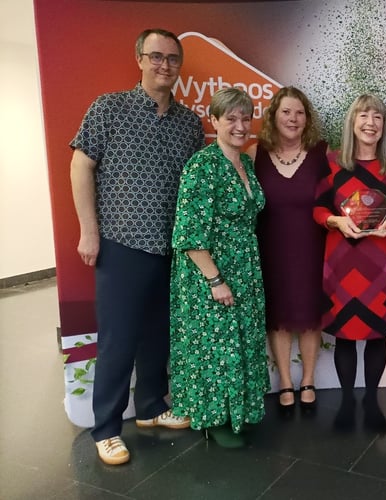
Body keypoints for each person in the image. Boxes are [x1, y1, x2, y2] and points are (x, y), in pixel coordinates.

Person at [70, 28, 204, 465]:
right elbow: (80, 166)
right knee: (118, 339)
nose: (165, 65)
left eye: (172, 59)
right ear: (140, 60)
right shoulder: (109, 108)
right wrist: (89, 231)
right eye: (156, 57)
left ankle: (150, 407)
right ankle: (106, 428)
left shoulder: (189, 123)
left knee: (157, 336)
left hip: (172, 249)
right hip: (121, 244)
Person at [169, 87, 268, 448]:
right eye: (231, 118)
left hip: (243, 268)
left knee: (239, 342)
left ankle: (238, 412)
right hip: (210, 273)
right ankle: (214, 419)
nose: (240, 125)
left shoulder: (244, 163)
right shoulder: (203, 165)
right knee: (216, 346)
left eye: (246, 117)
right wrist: (215, 280)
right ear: (214, 121)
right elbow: (189, 234)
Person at [313, 94, 386, 432]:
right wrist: (335, 221)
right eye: (363, 115)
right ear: (352, 122)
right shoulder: (332, 163)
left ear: (384, 125)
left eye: (377, 117)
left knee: (377, 334)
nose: (371, 123)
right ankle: (348, 401)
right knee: (345, 336)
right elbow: (318, 208)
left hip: (380, 263)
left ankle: (371, 400)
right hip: (341, 263)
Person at [249, 87, 328, 413]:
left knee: (310, 316)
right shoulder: (256, 153)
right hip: (271, 249)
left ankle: (308, 379)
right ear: (273, 116)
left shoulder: (322, 154)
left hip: (313, 249)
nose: (293, 119)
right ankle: (283, 379)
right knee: (278, 318)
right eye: (286, 112)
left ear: (307, 119)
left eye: (299, 113)